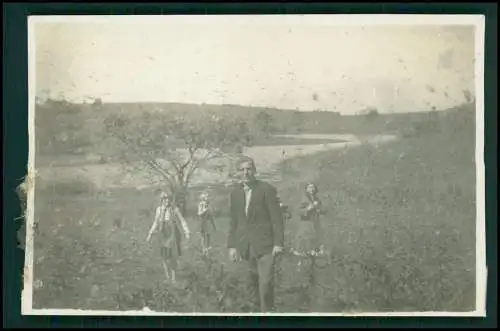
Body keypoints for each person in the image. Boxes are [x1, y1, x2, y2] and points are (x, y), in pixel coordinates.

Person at [227, 156, 284, 312]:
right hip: (245, 246)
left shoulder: (267, 189)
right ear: (237, 172)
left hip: (266, 245)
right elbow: (234, 221)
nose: (246, 172)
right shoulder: (234, 193)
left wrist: (278, 243)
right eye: (242, 169)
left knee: (265, 284)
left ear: (255, 170)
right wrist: (231, 246)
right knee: (251, 284)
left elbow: (277, 219)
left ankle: (268, 313)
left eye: (249, 168)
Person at [146, 191, 191, 283]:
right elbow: (156, 222)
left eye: (168, 198)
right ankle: (167, 277)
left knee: (171, 255)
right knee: (164, 256)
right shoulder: (159, 209)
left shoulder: (174, 209)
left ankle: (173, 278)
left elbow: (182, 220)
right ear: (161, 200)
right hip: (162, 233)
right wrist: (150, 234)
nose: (166, 200)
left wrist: (187, 231)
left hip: (172, 232)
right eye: (164, 199)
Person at [293, 183, 325, 259]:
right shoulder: (304, 199)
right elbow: (297, 211)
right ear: (306, 189)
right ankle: (299, 254)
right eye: (310, 187)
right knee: (303, 238)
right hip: (306, 222)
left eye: (313, 187)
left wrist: (319, 210)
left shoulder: (317, 199)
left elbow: (323, 209)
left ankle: (314, 254)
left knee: (316, 238)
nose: (312, 189)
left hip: (315, 222)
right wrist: (307, 209)